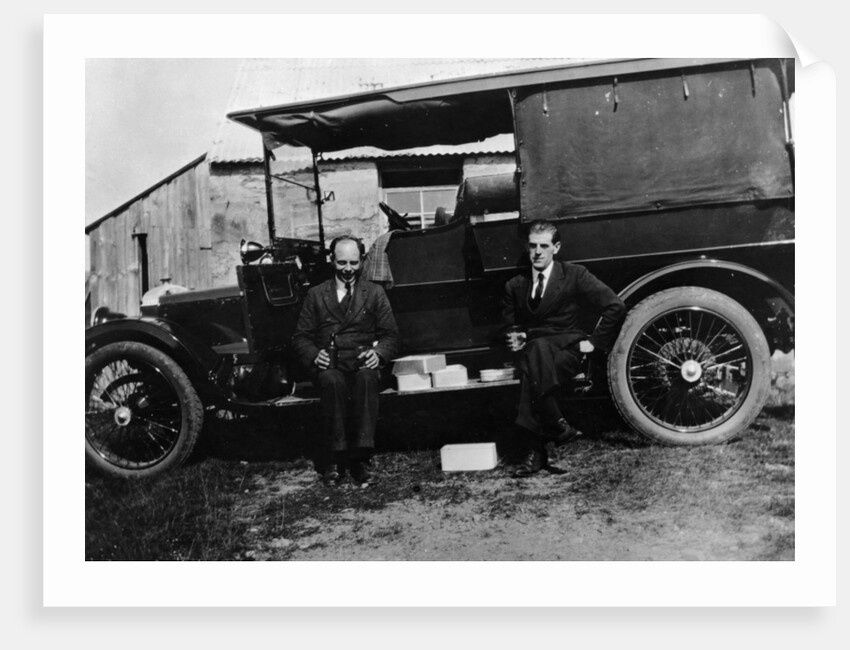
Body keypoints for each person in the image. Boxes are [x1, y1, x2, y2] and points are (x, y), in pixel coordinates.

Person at [503, 220, 626, 478]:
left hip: (567, 352)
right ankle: (556, 426)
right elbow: (510, 326)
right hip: (537, 353)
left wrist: (595, 342)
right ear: (527, 247)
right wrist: (514, 336)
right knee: (533, 358)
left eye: (544, 246)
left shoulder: (574, 274)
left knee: (532, 361)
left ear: (556, 248)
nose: (537, 252)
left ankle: (540, 444)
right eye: (533, 246)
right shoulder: (515, 285)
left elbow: (615, 306)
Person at [292, 236, 400, 486]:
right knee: (332, 382)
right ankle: (336, 458)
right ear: (332, 260)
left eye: (354, 262)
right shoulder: (316, 294)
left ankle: (361, 457)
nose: (348, 269)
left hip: (362, 362)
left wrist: (378, 353)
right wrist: (314, 354)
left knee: (367, 379)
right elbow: (300, 337)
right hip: (330, 364)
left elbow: (391, 335)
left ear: (361, 261)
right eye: (342, 262)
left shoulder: (374, 293)